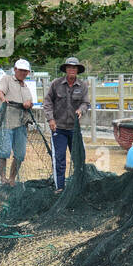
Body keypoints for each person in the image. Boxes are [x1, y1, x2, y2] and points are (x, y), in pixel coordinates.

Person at [43, 56, 90, 191]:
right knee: (59, 159)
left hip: (74, 129)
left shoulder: (82, 86)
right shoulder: (56, 84)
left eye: (74, 68)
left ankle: (79, 187)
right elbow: (47, 102)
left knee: (78, 158)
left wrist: (81, 110)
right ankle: (60, 188)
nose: (72, 70)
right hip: (59, 128)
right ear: (65, 69)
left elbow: (86, 103)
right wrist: (50, 119)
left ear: (77, 70)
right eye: (69, 67)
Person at [0, 58, 34, 186]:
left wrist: (29, 104)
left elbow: (30, 102)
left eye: (25, 71)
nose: (22, 73)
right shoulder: (7, 79)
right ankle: (2, 178)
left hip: (21, 125)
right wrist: (3, 99)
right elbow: (0, 92)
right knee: (4, 152)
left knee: (20, 154)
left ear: (28, 73)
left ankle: (12, 178)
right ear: (15, 70)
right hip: (5, 123)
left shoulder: (26, 87)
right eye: (20, 70)